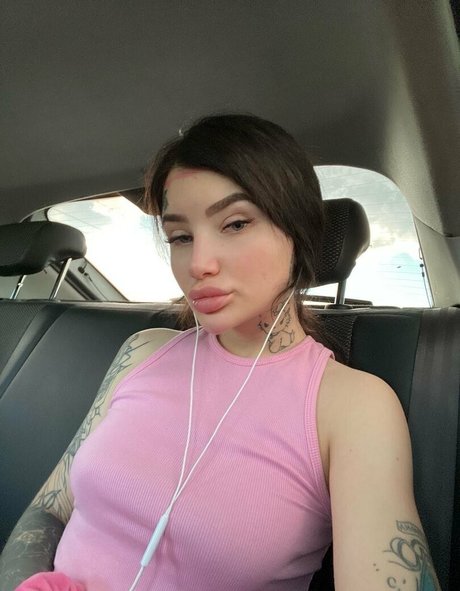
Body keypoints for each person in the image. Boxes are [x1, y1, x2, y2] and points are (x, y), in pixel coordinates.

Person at [0, 114, 440, 591]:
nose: (198, 264)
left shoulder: (352, 405)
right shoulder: (142, 351)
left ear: (300, 233)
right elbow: (48, 509)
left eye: (235, 223)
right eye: (181, 237)